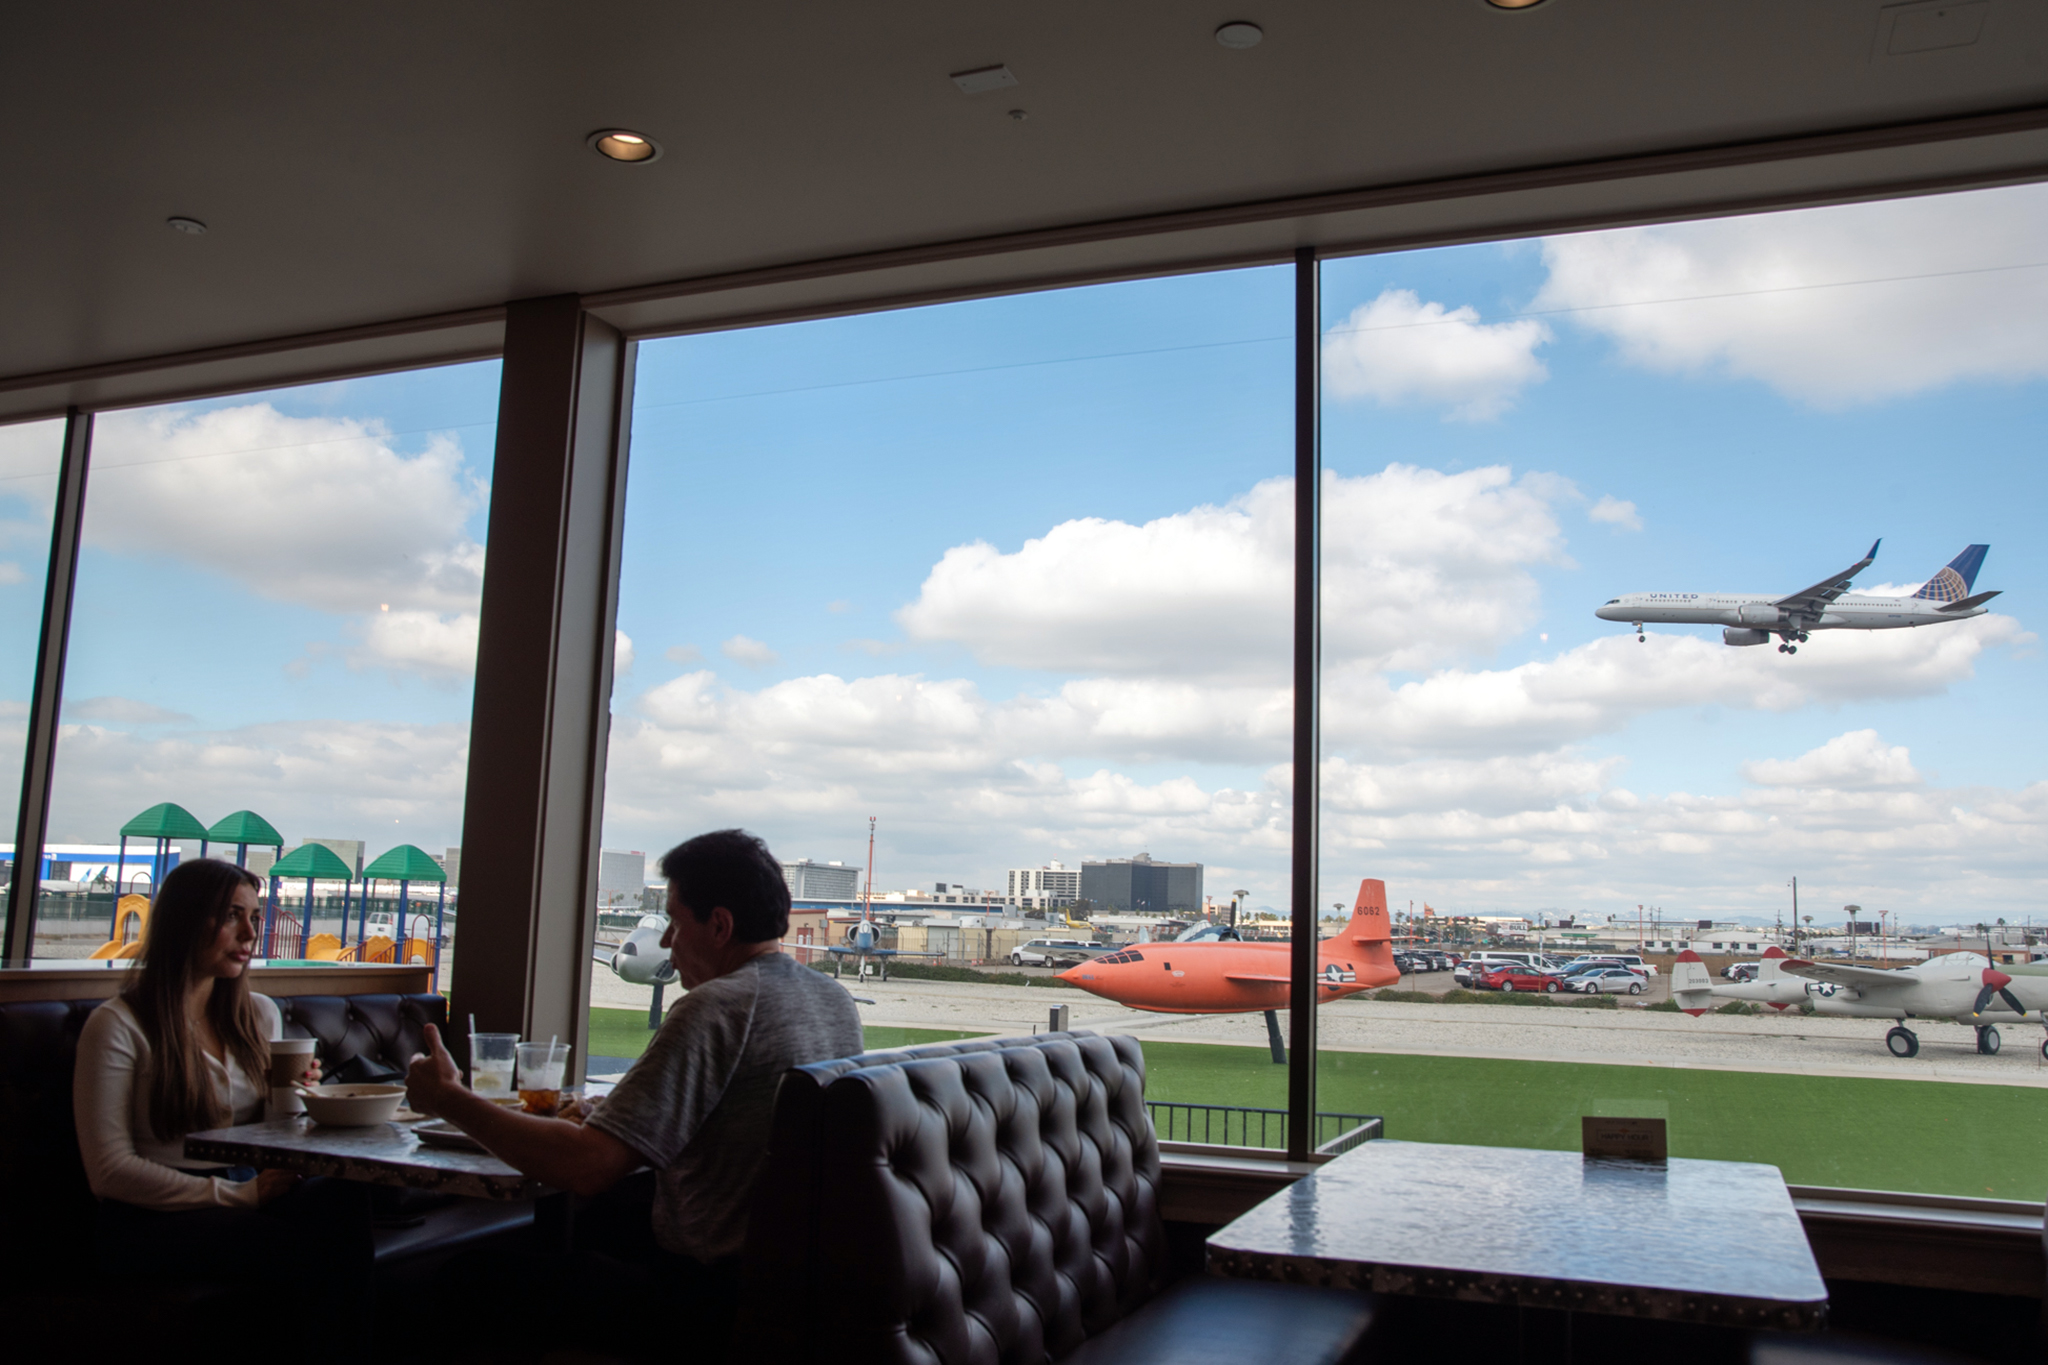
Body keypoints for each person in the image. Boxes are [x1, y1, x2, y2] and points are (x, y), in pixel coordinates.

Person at [407, 828, 863, 1359]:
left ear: (719, 926)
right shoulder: (834, 999)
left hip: (704, 1299)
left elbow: (589, 1167)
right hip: (792, 1286)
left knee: (471, 1275)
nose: (668, 942)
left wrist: (450, 1099)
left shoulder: (717, 1006)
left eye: (675, 922)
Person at [73, 858, 370, 1294]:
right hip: (150, 1215)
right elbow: (110, 1172)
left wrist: (297, 1098)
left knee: (343, 1199)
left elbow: (275, 1135)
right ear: (185, 921)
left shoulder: (259, 1015)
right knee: (291, 1247)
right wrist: (240, 1196)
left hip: (249, 1186)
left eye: (253, 918)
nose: (250, 934)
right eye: (232, 916)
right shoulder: (118, 1025)